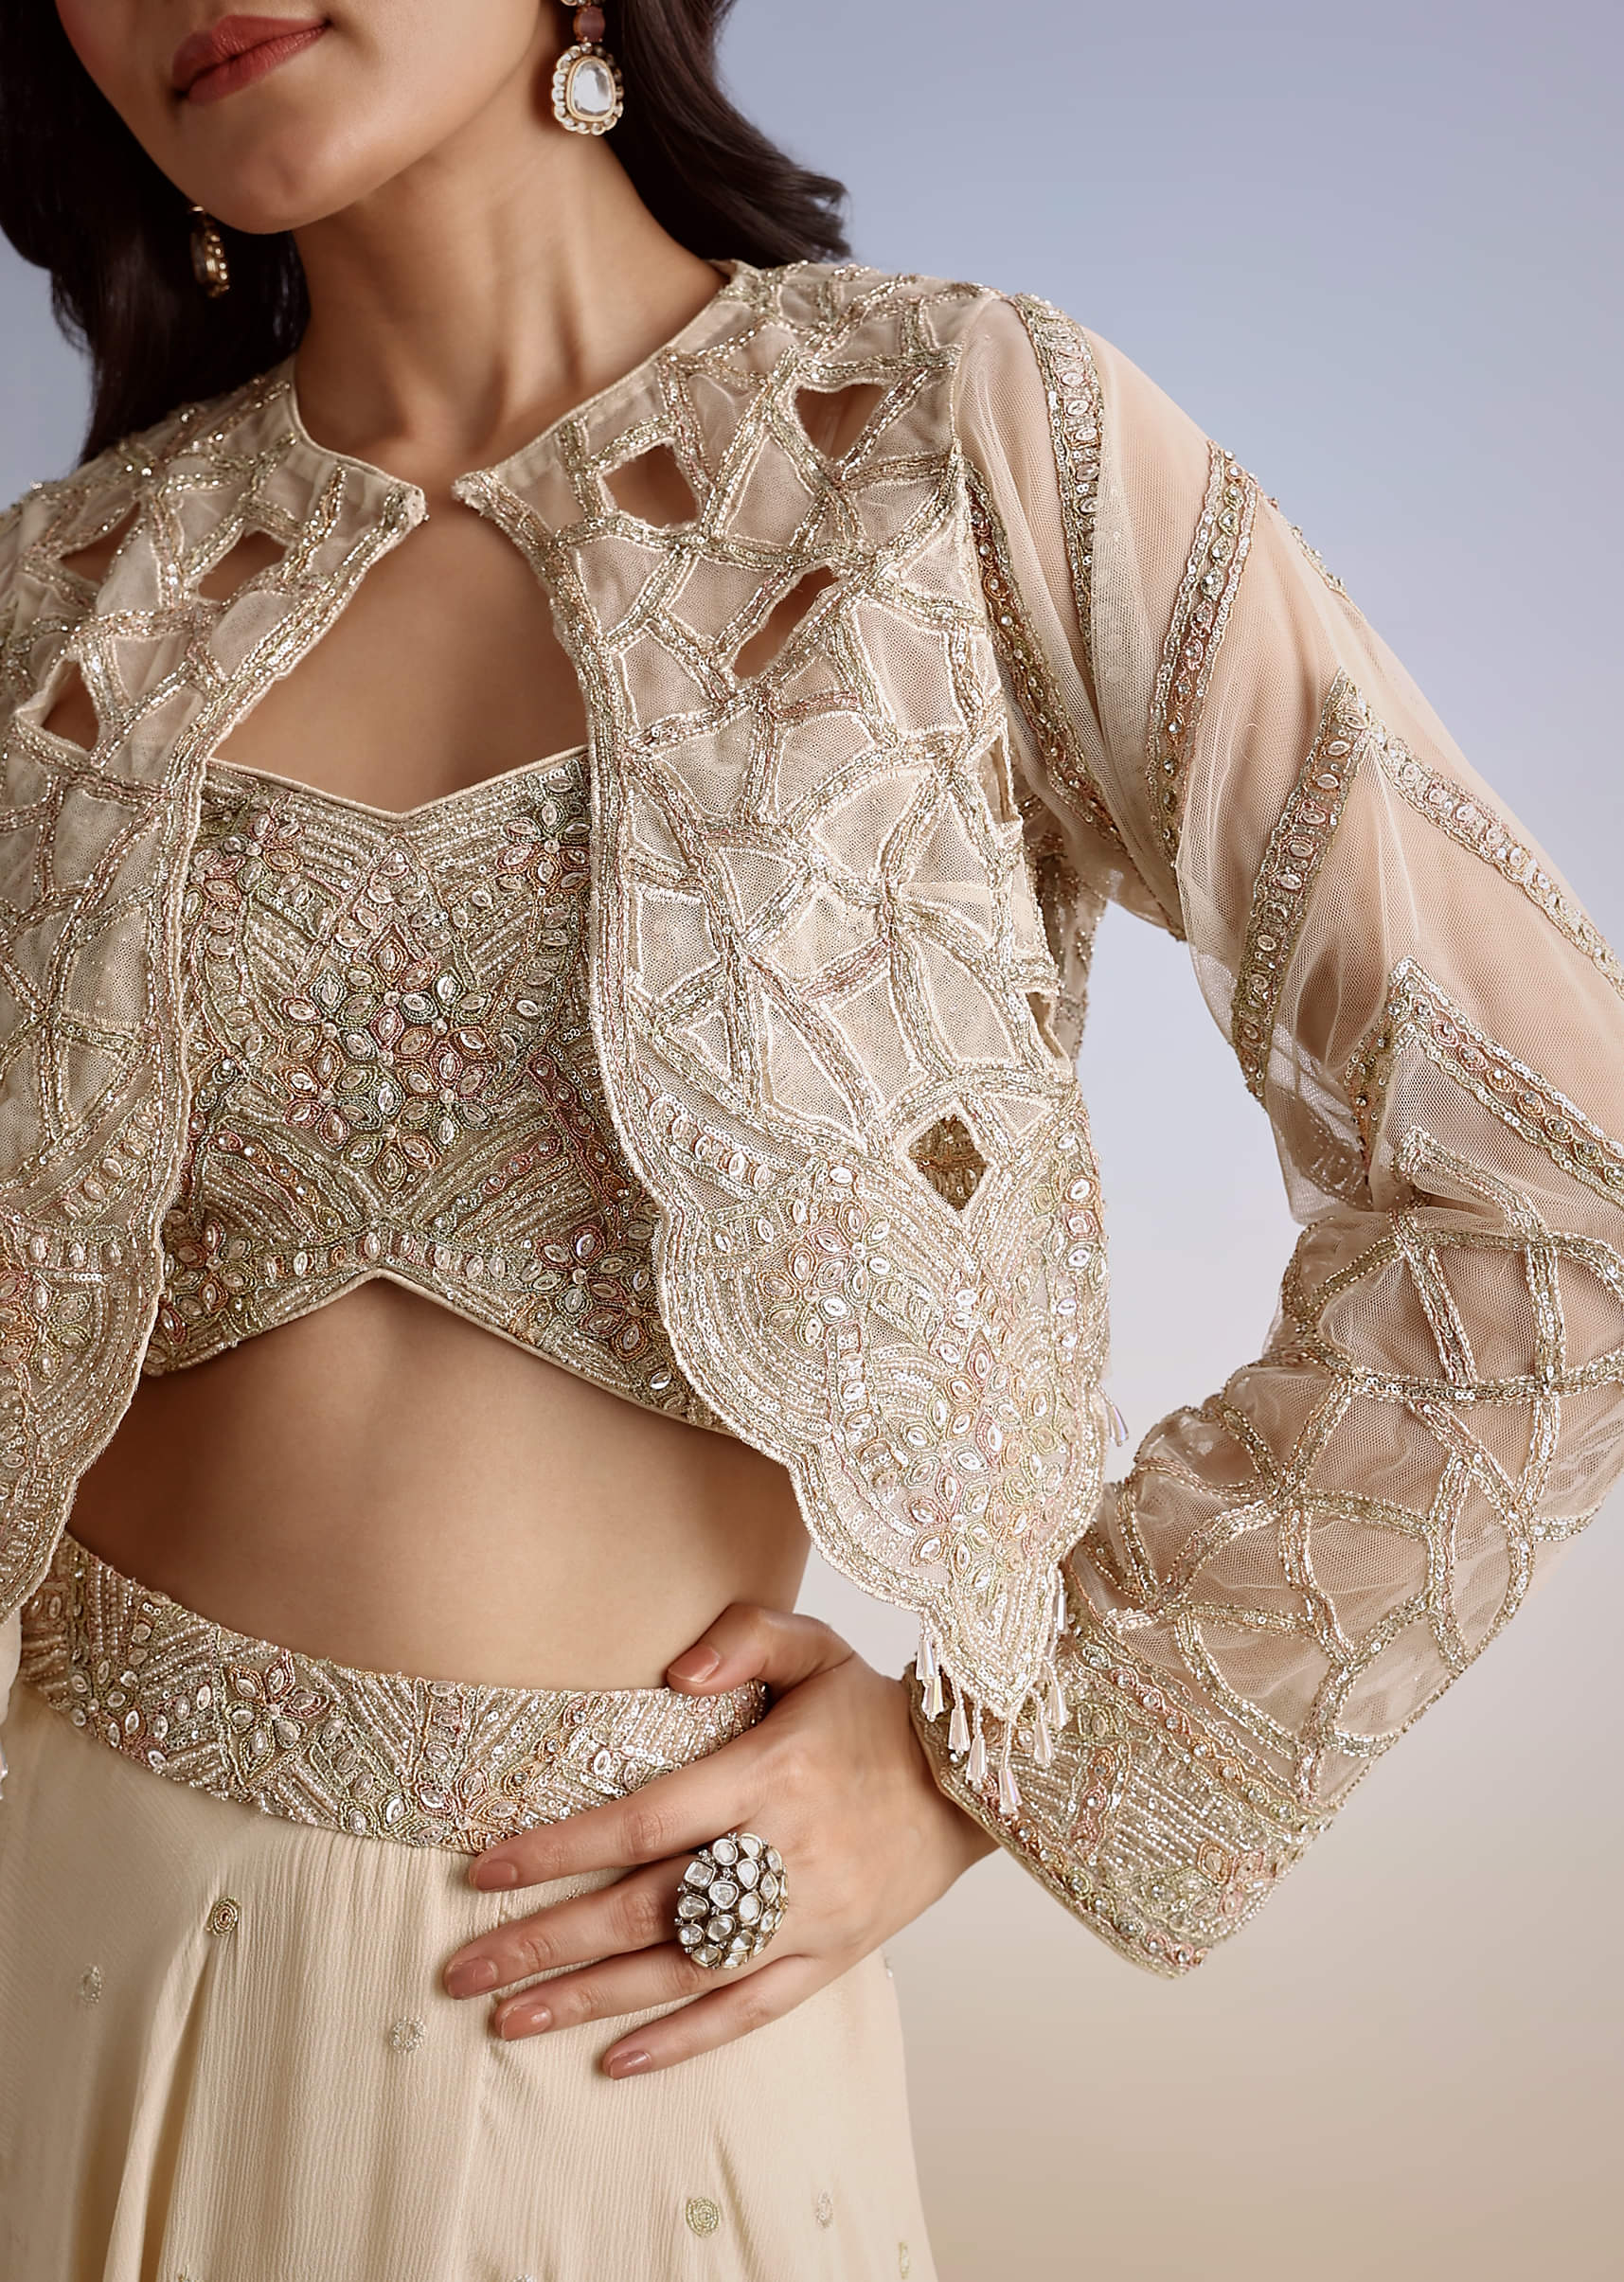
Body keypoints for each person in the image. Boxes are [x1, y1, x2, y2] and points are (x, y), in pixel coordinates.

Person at [1, 4, 1620, 2277]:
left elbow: (1553, 1168)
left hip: (617, 2030)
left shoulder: (950, 446)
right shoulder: (63, 609)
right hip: (77, 1969)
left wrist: (991, 1753)